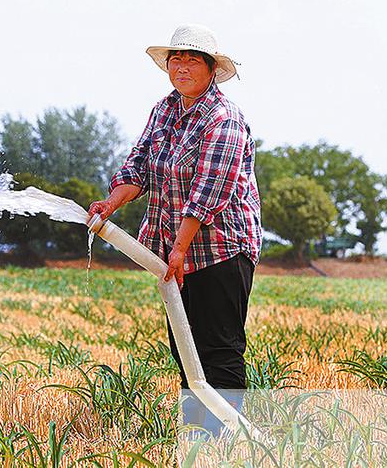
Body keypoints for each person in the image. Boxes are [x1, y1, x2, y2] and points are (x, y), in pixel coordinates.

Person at [87, 24, 262, 436]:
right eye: (175, 59)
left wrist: (180, 249)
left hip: (221, 250)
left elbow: (208, 191)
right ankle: (199, 438)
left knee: (217, 349)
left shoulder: (224, 119)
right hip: (172, 251)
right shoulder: (164, 110)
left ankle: (229, 443)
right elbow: (139, 166)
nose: (182, 66)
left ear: (211, 69)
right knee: (186, 351)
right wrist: (110, 203)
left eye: (192, 59)